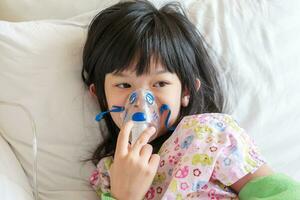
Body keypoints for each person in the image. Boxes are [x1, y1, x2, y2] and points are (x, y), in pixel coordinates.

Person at [81, 1, 300, 199]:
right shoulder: (109, 172)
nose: (140, 102)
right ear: (100, 95)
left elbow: (280, 194)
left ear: (186, 91)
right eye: (124, 85)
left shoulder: (210, 135)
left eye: (160, 84)